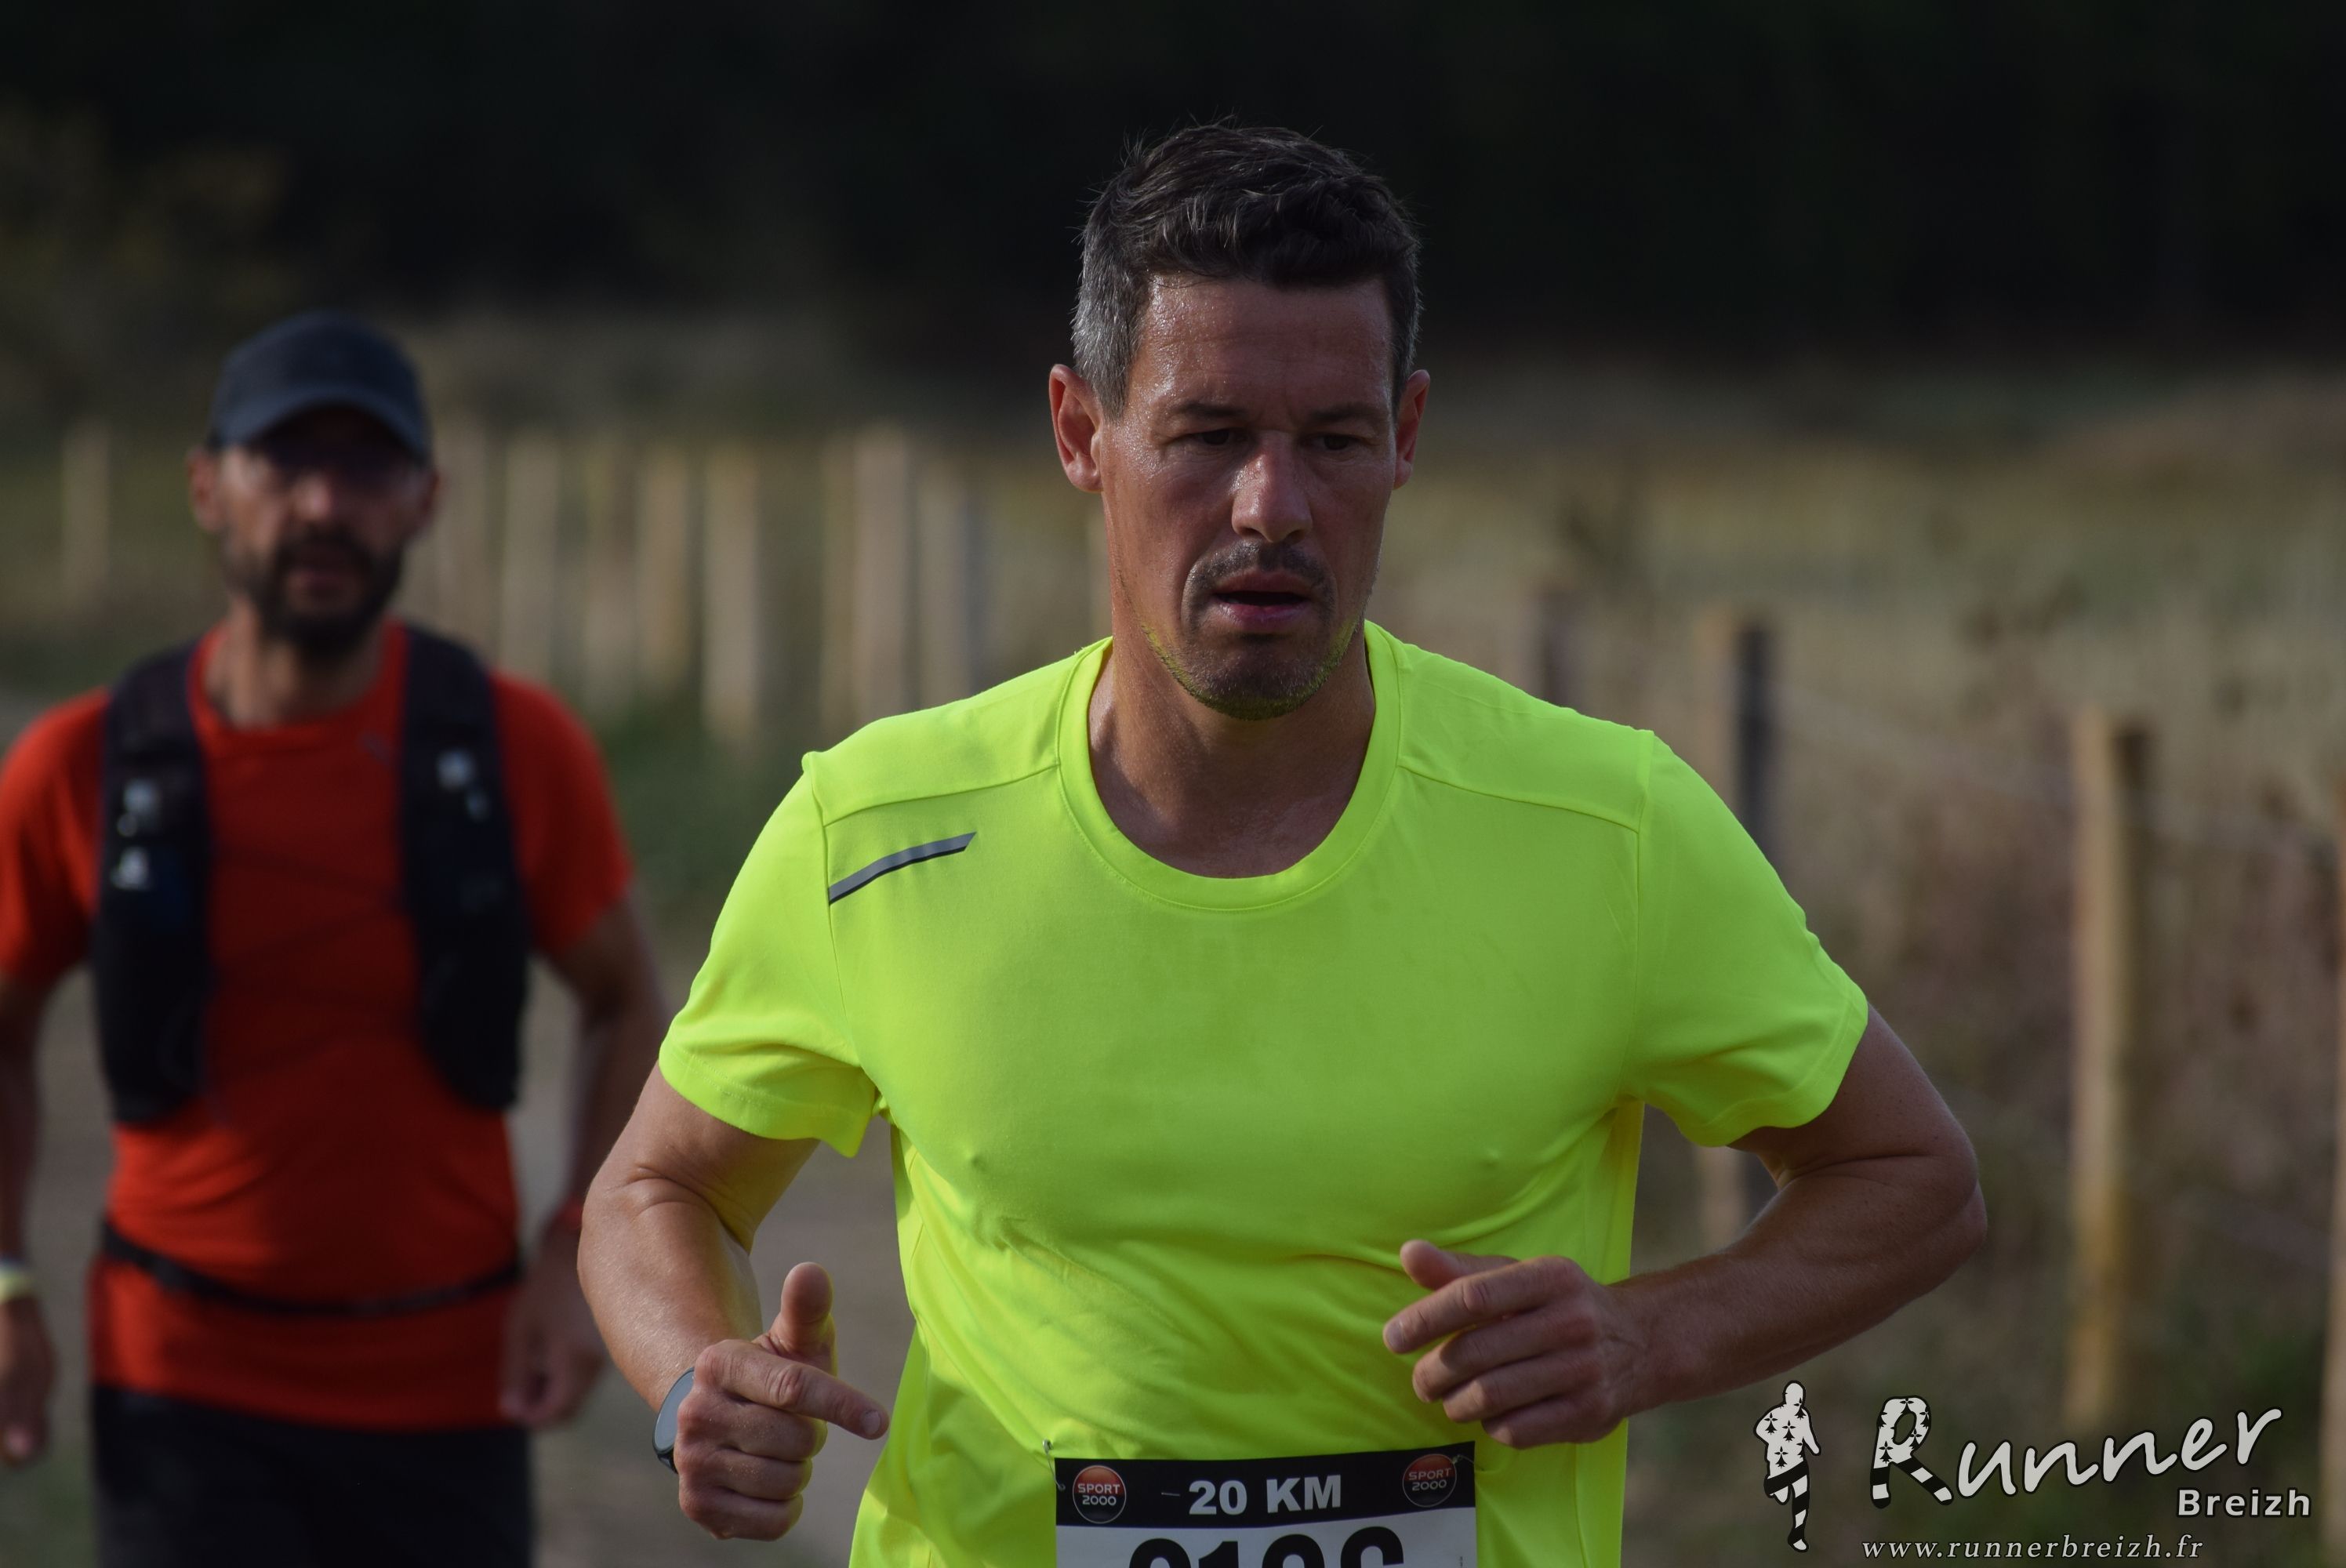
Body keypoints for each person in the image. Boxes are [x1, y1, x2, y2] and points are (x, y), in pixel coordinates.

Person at [579, 125, 1986, 1567]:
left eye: (1334, 441)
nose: (1272, 506)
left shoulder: (1604, 824)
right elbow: (655, 1188)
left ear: (1408, 435)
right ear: (1080, 432)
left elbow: (1913, 1178)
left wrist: (1646, 1338)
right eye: (1207, 437)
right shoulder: (882, 828)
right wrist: (698, 1378)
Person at [0, 310, 667, 1567]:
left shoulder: (514, 749)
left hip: (450, 1394)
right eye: (283, 461)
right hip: (178, 1392)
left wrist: (575, 1250)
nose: (323, 505)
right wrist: (5, 1281)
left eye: (366, 468)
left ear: (426, 498)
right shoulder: (85, 764)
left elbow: (630, 999)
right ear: (208, 488)